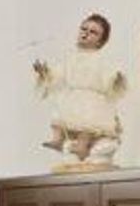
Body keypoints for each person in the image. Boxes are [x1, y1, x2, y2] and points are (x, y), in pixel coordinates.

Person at [34, 14, 127, 165]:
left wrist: (115, 80)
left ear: (100, 41)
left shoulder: (100, 59)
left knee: (88, 121)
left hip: (92, 99)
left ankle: (83, 146)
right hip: (74, 98)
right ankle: (58, 139)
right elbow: (57, 76)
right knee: (59, 112)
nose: (86, 33)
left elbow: (109, 77)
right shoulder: (69, 57)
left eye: (93, 32)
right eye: (84, 29)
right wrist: (45, 73)